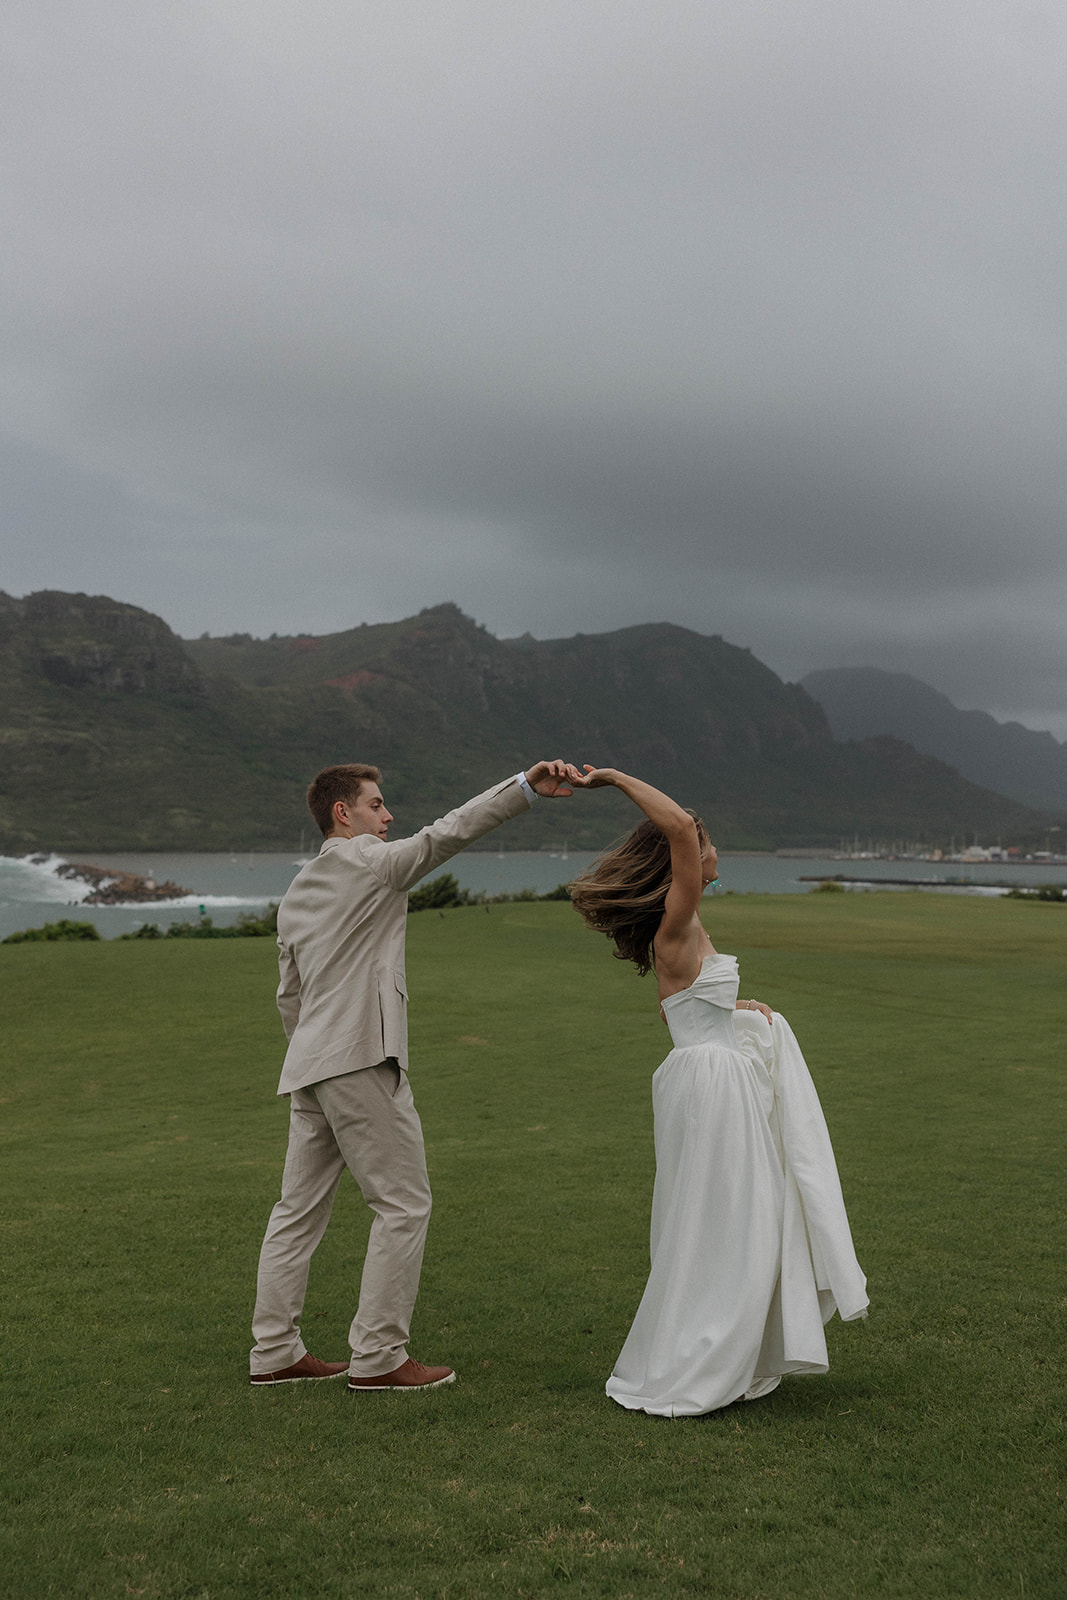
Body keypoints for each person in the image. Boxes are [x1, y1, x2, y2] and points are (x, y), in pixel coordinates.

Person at [250, 759, 580, 1392]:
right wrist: (521, 788)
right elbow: (446, 834)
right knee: (403, 1204)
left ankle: (275, 1351)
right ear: (343, 814)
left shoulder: (297, 892)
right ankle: (378, 1357)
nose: (388, 815)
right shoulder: (370, 862)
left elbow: (287, 998)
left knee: (295, 1212)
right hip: (359, 1060)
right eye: (377, 805)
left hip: (311, 1067)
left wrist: (311, 1057)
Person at [568, 766, 868, 1417]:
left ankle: (724, 1350)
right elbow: (674, 823)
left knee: (735, 1219)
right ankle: (697, 1357)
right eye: (706, 844)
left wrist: (732, 1011)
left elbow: (676, 1012)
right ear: (685, 854)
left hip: (711, 1073)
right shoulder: (676, 922)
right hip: (710, 1086)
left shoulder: (685, 929)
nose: (712, 855)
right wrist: (615, 779)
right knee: (727, 1221)